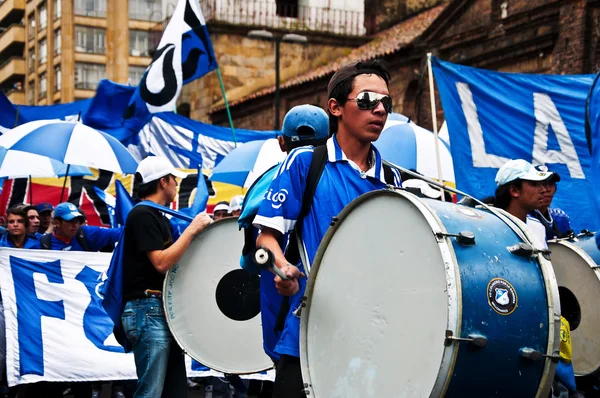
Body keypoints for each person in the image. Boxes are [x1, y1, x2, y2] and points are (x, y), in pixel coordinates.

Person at [253, 60, 401, 397]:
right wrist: (283, 269)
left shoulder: (391, 179)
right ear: (335, 107)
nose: (378, 110)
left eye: (385, 103)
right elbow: (267, 238)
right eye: (366, 100)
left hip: (371, 337)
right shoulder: (305, 162)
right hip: (308, 330)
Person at [238, 104, 329, 397]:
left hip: (285, 323)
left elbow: (250, 260)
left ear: (281, 142)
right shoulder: (343, 178)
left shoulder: (266, 184)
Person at [120, 156, 212, 398]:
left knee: (173, 392)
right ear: (163, 182)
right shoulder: (142, 215)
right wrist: (192, 229)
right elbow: (161, 262)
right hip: (147, 310)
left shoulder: (155, 216)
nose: (177, 185)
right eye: (174, 180)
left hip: (157, 310)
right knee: (150, 393)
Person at [494, 159, 556, 249]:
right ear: (514, 191)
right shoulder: (491, 226)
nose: (543, 190)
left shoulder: (538, 227)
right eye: (534, 184)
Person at [39, 202, 122, 251]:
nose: (75, 225)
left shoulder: (87, 233)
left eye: (77, 220)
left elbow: (122, 232)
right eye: (70, 220)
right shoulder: (43, 244)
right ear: (57, 222)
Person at [529, 166, 572, 239]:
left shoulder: (560, 217)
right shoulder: (523, 218)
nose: (547, 189)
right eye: (542, 184)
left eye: (551, 184)